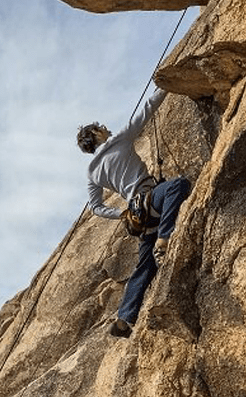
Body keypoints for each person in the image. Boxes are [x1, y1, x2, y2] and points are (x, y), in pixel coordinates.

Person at [76, 87, 190, 338]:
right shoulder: (120, 140)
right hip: (150, 199)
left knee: (144, 266)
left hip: (137, 214)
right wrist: (164, 83)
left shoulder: (92, 173)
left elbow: (95, 207)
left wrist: (120, 214)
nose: (105, 127)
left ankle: (124, 319)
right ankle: (165, 236)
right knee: (178, 187)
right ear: (96, 134)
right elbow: (148, 108)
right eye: (100, 127)